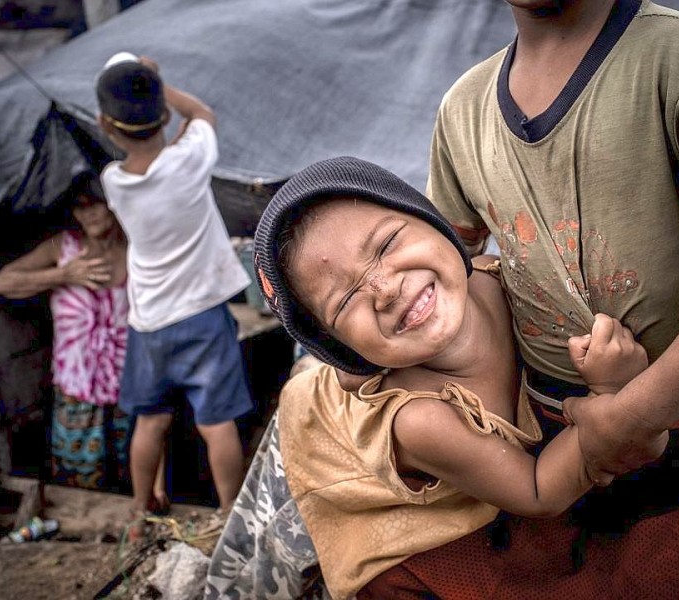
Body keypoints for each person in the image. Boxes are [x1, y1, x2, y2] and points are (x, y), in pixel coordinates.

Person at [420, 0, 679, 597]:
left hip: (671, 434)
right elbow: (447, 270)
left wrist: (634, 415)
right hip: (534, 440)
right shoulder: (465, 106)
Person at [212, 156, 649, 600]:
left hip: (333, 373)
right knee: (273, 555)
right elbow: (538, 492)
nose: (384, 289)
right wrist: (612, 396)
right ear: (344, 347)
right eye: (344, 301)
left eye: (385, 246)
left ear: (436, 224)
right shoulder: (422, 420)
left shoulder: (502, 280)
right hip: (319, 439)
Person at [95, 55, 253, 527]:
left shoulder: (114, 183)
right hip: (204, 315)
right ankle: (228, 514)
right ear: (163, 113)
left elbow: (173, 143)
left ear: (106, 125)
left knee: (151, 421)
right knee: (215, 422)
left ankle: (141, 509)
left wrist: (143, 85)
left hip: (150, 322)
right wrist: (157, 81)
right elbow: (202, 115)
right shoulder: (190, 161)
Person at [0, 173, 136, 492]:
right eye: (81, 208)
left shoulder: (133, 244)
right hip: (77, 385)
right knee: (78, 476)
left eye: (96, 205)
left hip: (129, 382)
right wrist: (64, 274)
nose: (89, 214)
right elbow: (4, 282)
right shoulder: (63, 246)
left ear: (113, 204)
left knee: (130, 472)